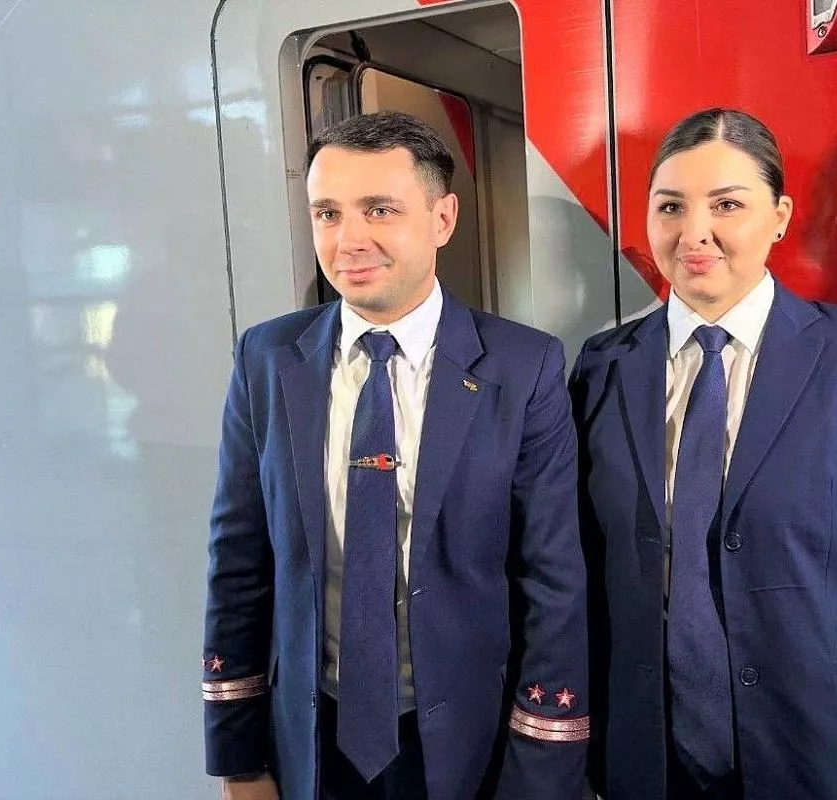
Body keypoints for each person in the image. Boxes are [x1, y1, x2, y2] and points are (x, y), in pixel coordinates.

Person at [569, 108, 837, 799]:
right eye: (670, 206)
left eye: (727, 204)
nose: (694, 232)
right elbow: (578, 566)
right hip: (647, 759)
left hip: (820, 750)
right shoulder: (602, 366)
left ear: (780, 216)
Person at [202, 110, 588, 800]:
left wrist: (542, 770)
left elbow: (552, 580)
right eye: (328, 213)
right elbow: (238, 561)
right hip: (311, 741)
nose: (349, 239)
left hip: (468, 744)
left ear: (442, 219)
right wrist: (239, 759)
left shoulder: (522, 367)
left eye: (379, 209)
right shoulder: (268, 359)